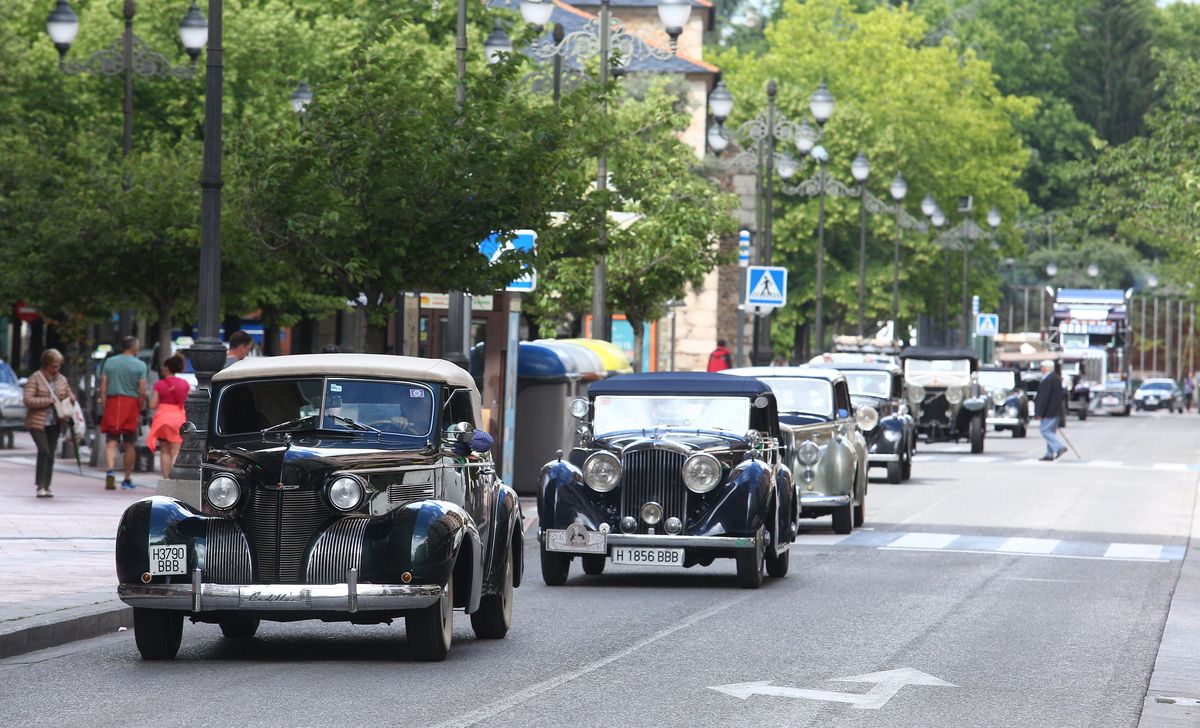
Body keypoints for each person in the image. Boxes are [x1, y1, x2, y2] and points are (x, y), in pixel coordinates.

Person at [23, 349, 75, 498]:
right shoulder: (35, 378)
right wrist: (48, 401)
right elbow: (27, 399)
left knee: (51, 453)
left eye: (58, 366)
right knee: (44, 450)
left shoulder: (61, 379)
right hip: (37, 421)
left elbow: (68, 393)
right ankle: (40, 485)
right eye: (53, 366)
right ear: (46, 364)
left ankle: (47, 485)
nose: (56, 369)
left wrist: (71, 398)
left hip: (55, 422)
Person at [100, 336, 148, 490]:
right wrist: (139, 408)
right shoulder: (140, 365)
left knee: (111, 441)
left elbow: (103, 387)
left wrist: (105, 404)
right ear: (133, 347)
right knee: (129, 443)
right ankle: (127, 478)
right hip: (131, 404)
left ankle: (110, 471)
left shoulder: (109, 362)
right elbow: (142, 391)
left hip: (113, 402)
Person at [147, 354, 191, 479]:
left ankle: (166, 479)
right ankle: (175, 478)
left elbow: (152, 404)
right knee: (176, 451)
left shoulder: (159, 384)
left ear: (167, 368)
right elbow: (189, 401)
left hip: (163, 420)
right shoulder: (184, 384)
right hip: (179, 418)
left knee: (165, 451)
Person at [1034, 359, 1066, 461]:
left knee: (1045, 431)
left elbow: (1044, 398)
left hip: (1049, 411)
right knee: (1051, 432)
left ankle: (1059, 447)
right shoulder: (1057, 378)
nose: (1041, 369)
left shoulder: (1047, 380)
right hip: (1056, 411)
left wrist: (1039, 412)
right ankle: (1049, 453)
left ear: (1046, 368)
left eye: (1042, 367)